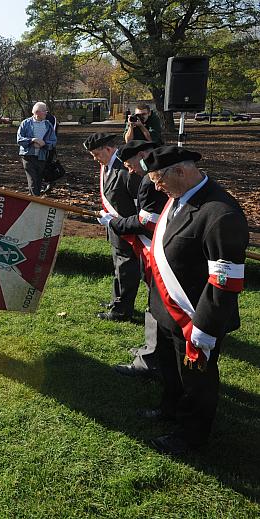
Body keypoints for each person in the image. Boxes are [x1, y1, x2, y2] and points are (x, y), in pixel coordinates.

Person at [139, 146, 248, 455]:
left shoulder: (220, 213)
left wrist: (204, 328)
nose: (157, 188)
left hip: (197, 318)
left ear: (182, 172)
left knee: (197, 381)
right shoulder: (179, 197)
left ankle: (191, 435)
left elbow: (224, 282)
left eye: (159, 180)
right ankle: (170, 409)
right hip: (168, 309)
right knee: (172, 370)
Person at [99, 140, 168, 376]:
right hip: (159, 247)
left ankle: (151, 359)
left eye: (130, 166)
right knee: (155, 302)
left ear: (142, 155)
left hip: (159, 251)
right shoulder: (154, 177)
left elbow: (145, 221)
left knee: (157, 303)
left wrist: (114, 222)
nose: (130, 171)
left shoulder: (151, 181)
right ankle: (152, 351)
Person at [83, 132, 141, 322]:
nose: (95, 159)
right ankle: (116, 301)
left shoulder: (125, 169)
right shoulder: (107, 166)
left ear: (108, 149)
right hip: (115, 228)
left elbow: (138, 202)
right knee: (118, 267)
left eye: (96, 154)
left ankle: (122, 310)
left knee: (126, 270)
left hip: (128, 230)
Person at [17, 102, 56, 196]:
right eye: (44, 111)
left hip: (41, 156)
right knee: (32, 179)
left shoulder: (48, 125)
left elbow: (53, 141)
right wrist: (32, 140)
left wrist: (44, 144)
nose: (46, 113)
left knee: (38, 179)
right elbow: (19, 139)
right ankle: (36, 200)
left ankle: (34, 199)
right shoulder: (25, 123)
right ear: (37, 112)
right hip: (27, 156)